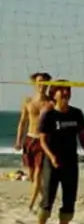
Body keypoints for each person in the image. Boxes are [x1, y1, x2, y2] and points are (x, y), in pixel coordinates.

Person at [36, 81, 84, 224]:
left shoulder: (76, 113)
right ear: (54, 94)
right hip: (52, 162)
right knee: (47, 200)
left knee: (69, 201)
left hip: (70, 162)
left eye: (68, 90)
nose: (65, 93)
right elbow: (42, 140)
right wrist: (51, 156)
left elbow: (83, 137)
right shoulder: (49, 115)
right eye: (61, 90)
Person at [15, 71, 53, 211]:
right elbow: (22, 122)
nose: (41, 85)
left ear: (48, 84)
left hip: (43, 140)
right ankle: (45, 199)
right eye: (39, 82)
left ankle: (31, 205)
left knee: (38, 174)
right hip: (30, 140)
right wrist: (18, 140)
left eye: (44, 82)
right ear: (34, 84)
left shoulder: (51, 102)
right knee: (31, 175)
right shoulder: (28, 101)